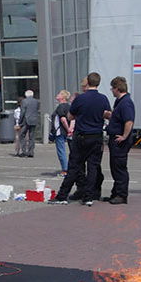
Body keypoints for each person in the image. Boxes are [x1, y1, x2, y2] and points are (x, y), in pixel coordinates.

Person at [49, 72, 110, 206]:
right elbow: (108, 114)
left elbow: (70, 116)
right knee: (93, 167)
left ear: (87, 82)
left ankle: (62, 195)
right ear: (98, 83)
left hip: (81, 136)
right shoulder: (103, 98)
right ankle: (89, 197)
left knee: (74, 166)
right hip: (96, 136)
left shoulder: (80, 99)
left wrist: (81, 115)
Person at [103, 76, 136, 203]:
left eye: (112, 88)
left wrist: (124, 136)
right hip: (115, 138)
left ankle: (122, 195)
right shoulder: (119, 102)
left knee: (119, 168)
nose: (111, 90)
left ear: (117, 88)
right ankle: (115, 193)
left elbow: (129, 121)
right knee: (114, 167)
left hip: (120, 141)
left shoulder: (126, 102)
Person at [52, 90, 72, 176]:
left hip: (60, 131)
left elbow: (63, 119)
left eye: (59, 94)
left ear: (63, 97)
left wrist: (68, 129)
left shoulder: (60, 107)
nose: (57, 95)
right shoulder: (69, 106)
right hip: (66, 131)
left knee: (61, 151)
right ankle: (69, 168)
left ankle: (65, 169)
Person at [18, 89, 40, 157]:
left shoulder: (24, 101)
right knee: (32, 137)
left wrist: (20, 121)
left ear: (26, 95)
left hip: (26, 120)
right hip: (34, 120)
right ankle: (31, 152)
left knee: (22, 135)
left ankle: (24, 151)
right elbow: (37, 110)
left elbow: (23, 112)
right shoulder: (36, 101)